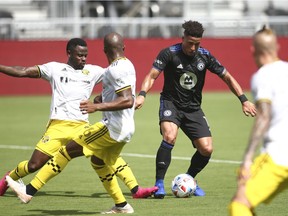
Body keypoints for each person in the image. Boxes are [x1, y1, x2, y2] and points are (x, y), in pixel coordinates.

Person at [0, 38, 157, 199]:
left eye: (85, 55)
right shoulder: (54, 68)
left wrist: (102, 97)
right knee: (34, 165)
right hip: (58, 126)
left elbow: (117, 81)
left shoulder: (94, 71)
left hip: (81, 126)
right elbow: (23, 71)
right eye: (79, 55)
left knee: (107, 155)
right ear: (69, 53)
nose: (83, 58)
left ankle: (135, 189)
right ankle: (9, 178)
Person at [135, 20, 257, 199]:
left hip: (193, 108)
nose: (193, 48)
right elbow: (152, 75)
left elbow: (228, 77)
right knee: (169, 136)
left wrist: (244, 100)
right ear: (183, 38)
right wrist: (142, 94)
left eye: (197, 44)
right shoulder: (169, 53)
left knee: (206, 149)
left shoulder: (205, 56)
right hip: (171, 104)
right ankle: (158, 184)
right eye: (190, 43)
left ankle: (189, 179)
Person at [228, 26, 288, 215]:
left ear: (253, 50)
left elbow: (263, 116)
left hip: (279, 156)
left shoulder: (263, 76)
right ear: (277, 46)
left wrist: (247, 158)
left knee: (240, 204)